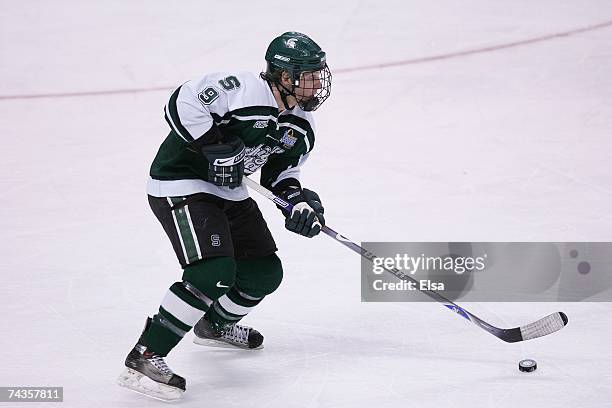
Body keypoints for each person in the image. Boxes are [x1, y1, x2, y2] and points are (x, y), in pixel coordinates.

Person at [117, 31, 332, 401]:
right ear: (284, 76)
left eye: (318, 74)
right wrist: (216, 147)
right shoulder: (242, 89)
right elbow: (182, 102)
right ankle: (146, 355)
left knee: (264, 273)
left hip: (228, 193)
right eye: (308, 75)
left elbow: (281, 174)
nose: (317, 84)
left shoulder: (301, 127)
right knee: (213, 274)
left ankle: (214, 326)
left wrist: (297, 202)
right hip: (180, 182)